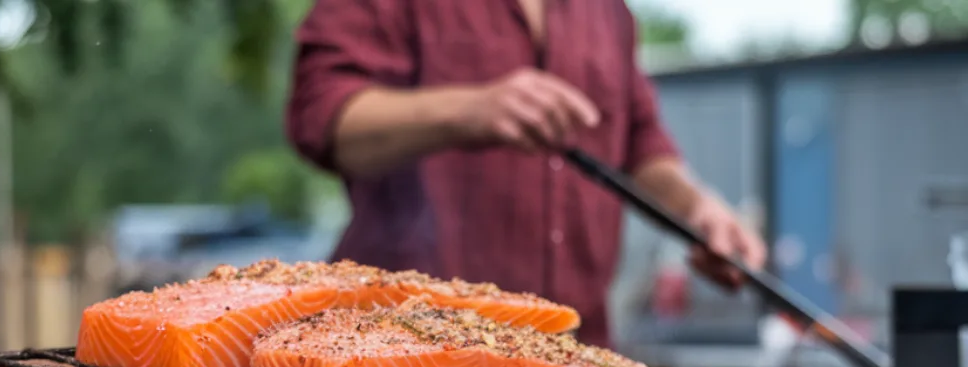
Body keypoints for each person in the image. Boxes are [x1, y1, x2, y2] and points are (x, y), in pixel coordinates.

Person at [286, 0, 766, 346]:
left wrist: (698, 209)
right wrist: (468, 109)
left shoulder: (609, 12)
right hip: (404, 352)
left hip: (576, 356)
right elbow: (320, 115)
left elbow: (640, 142)